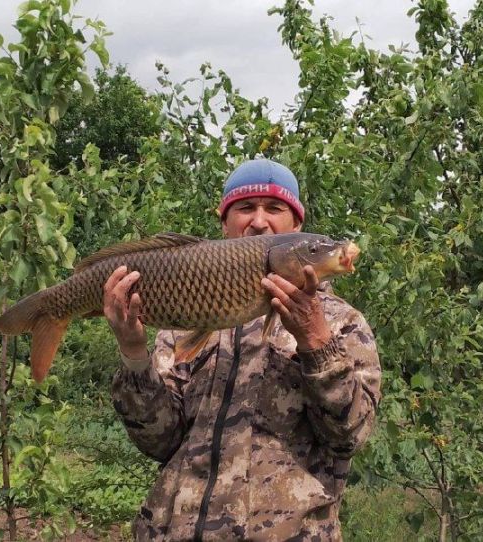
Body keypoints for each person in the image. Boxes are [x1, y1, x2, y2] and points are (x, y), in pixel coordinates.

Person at [106, 159, 381, 541]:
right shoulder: (185, 318)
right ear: (225, 223)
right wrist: (133, 353)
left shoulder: (343, 323)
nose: (258, 221)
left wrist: (316, 343)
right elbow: (159, 440)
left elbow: (349, 437)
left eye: (274, 208)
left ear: (295, 227)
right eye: (245, 208)